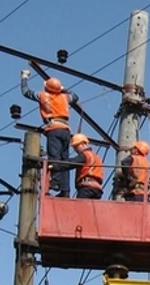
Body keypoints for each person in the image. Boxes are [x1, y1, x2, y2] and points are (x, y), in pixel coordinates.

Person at [21, 69, 78, 197]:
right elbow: (75, 96)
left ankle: (56, 183)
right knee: (65, 160)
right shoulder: (65, 97)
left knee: (55, 158)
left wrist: (24, 77)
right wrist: (62, 89)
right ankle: (65, 189)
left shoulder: (43, 95)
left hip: (54, 129)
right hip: (66, 130)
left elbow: (26, 92)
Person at [52, 133, 104, 199]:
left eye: (76, 147)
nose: (75, 150)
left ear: (83, 144)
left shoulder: (85, 155)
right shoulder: (97, 157)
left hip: (86, 188)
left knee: (80, 208)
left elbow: (71, 163)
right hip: (97, 190)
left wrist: (55, 166)